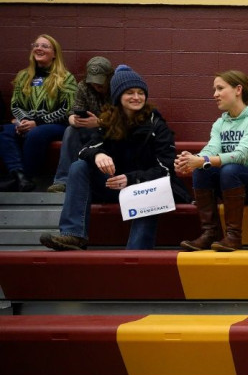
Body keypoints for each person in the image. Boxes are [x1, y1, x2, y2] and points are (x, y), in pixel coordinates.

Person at [39, 65, 190, 251]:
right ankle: (73, 235)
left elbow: (166, 169)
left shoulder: (157, 125)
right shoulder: (108, 122)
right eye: (130, 93)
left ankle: (137, 254)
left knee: (149, 194)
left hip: (146, 187)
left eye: (140, 92)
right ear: (118, 96)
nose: (136, 97)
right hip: (114, 186)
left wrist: (132, 178)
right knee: (79, 166)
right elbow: (84, 150)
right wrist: (98, 154)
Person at [175, 70, 248, 252]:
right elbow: (211, 149)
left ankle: (234, 237)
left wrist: (202, 160)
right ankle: (210, 234)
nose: (214, 94)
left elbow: (242, 155)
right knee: (204, 169)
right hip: (233, 183)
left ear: (238, 90)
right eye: (214, 89)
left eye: (220, 88)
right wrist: (191, 160)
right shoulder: (221, 123)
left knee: (230, 169)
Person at [0, 34, 76, 192]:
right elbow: (15, 105)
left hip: (56, 126)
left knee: (36, 133)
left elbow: (67, 109)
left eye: (45, 46)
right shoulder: (23, 76)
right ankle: (18, 175)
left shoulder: (65, 78)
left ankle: (28, 176)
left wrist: (37, 123)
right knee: (4, 131)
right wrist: (24, 121)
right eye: (36, 45)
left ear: (55, 54)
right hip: (28, 124)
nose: (39, 48)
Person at [47, 56, 114, 193]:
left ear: (109, 76)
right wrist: (74, 119)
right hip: (89, 129)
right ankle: (62, 181)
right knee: (70, 130)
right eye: (94, 82)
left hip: (112, 131)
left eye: (100, 82)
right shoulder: (84, 86)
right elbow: (72, 111)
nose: (97, 86)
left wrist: (99, 122)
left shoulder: (117, 86)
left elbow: (125, 119)